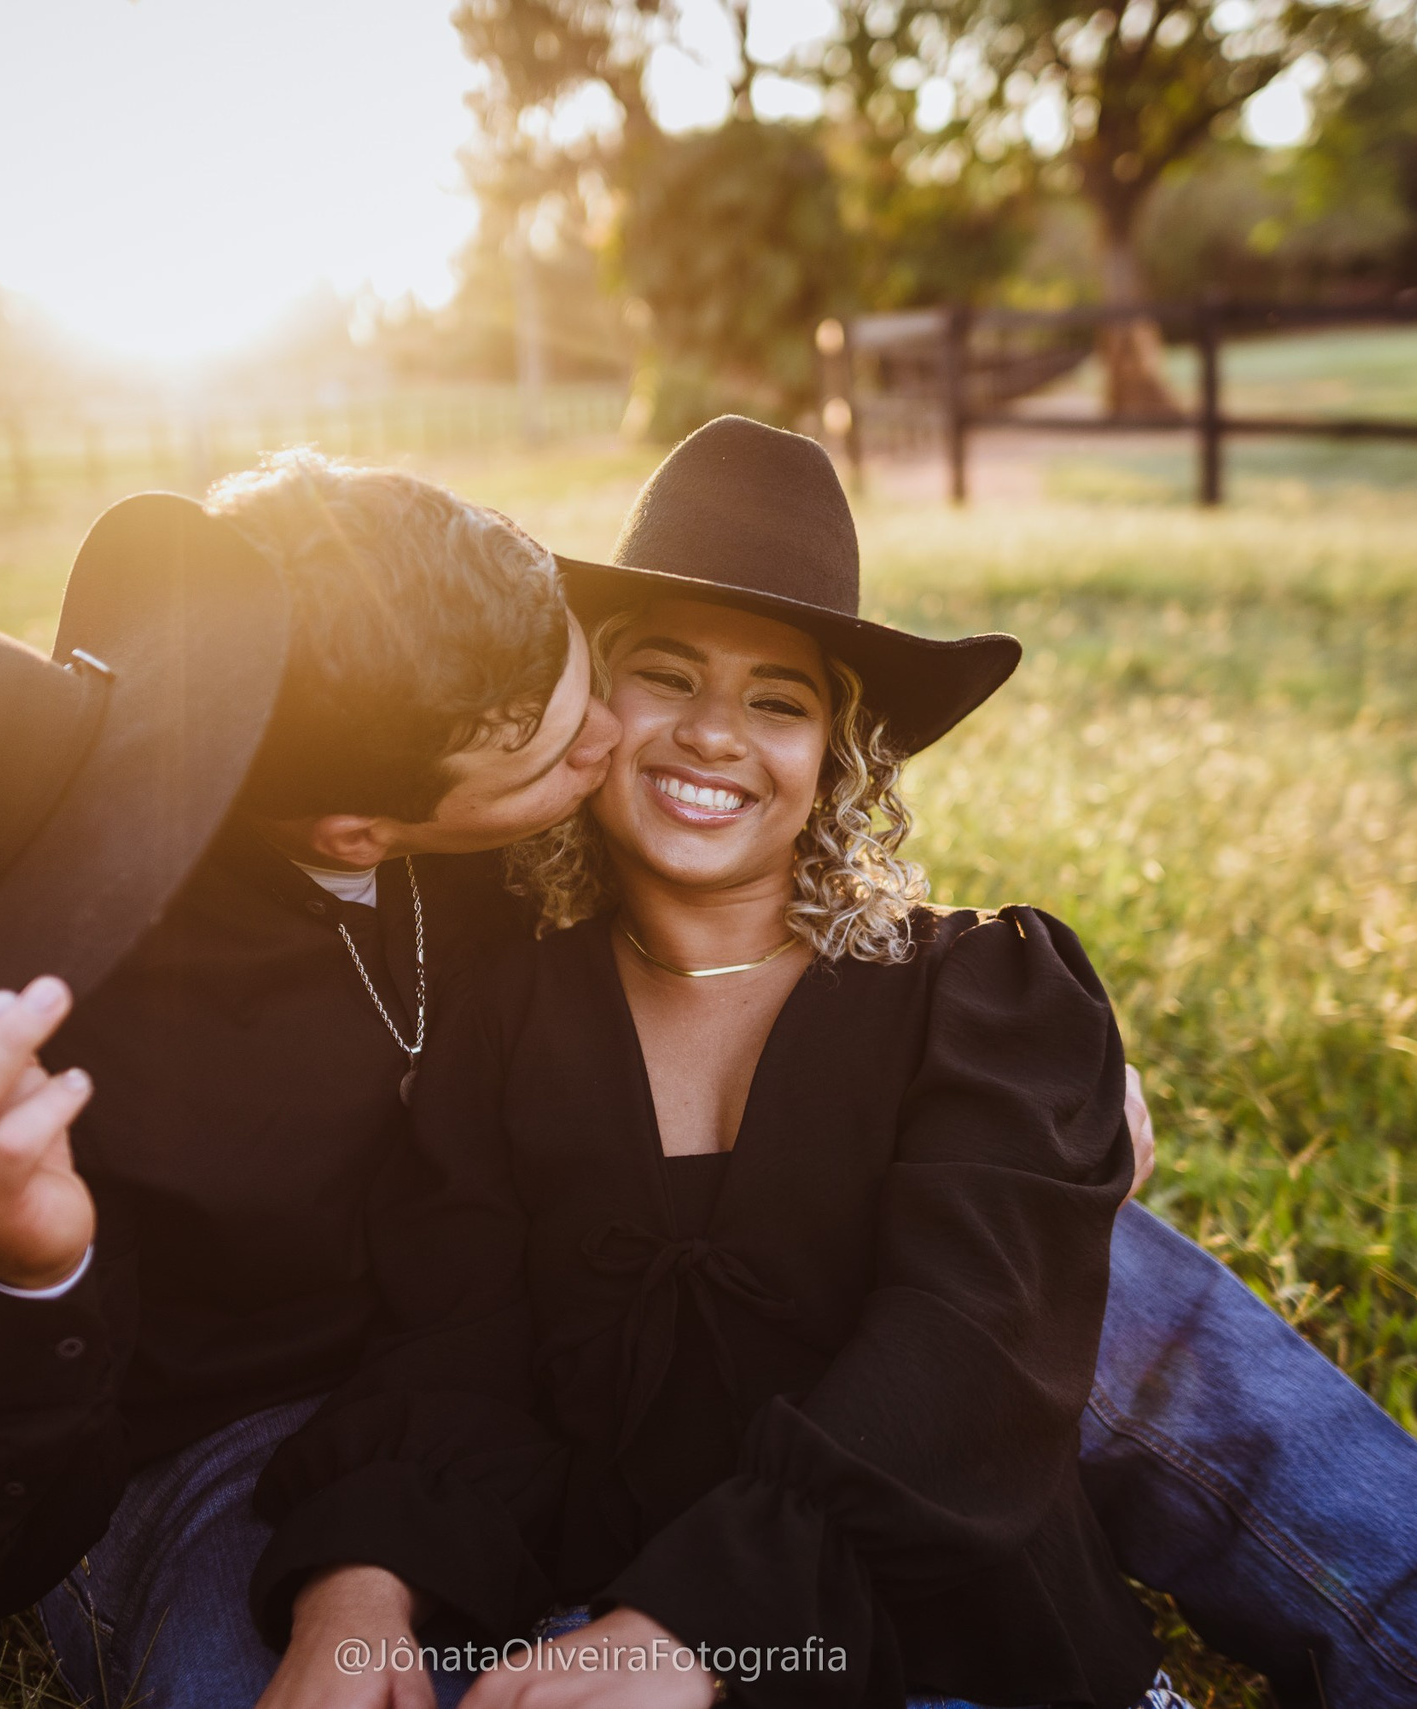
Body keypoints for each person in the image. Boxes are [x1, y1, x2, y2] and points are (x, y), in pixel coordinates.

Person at [0, 426, 1417, 1709]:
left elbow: (756, 902)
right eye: (600, 704)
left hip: (616, 1371)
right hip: (300, 1441)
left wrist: (1015, 1082)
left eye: (764, 701)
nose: (631, 749)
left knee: (1090, 1285)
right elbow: (2, 1499)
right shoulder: (14, 1037)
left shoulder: (501, 845)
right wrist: (29, 1269)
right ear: (371, 807)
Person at [248, 473, 1168, 1709]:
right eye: (667, 677)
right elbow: (453, 1342)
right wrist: (360, 1580)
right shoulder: (507, 1016)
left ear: (837, 758)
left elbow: (970, 1350)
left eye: (776, 701)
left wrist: (694, 1627)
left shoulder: (982, 992)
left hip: (957, 1644)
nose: (713, 733)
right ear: (586, 712)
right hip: (599, 1633)